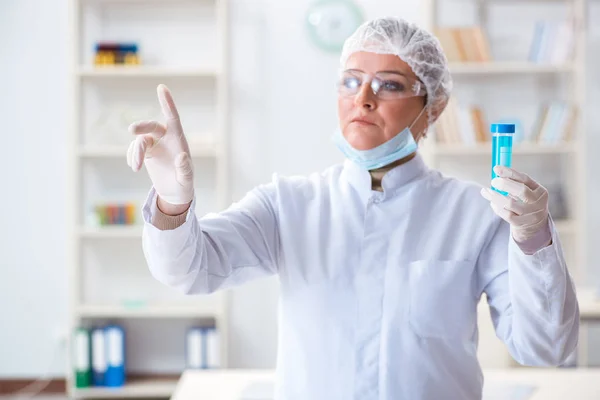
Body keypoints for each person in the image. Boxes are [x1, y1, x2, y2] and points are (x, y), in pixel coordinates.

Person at [126, 16, 579, 400]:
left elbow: (546, 348)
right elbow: (190, 270)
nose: (363, 98)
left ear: (433, 109)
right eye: (351, 80)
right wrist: (172, 202)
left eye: (389, 85)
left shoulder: (474, 214)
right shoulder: (289, 203)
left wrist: (534, 239)